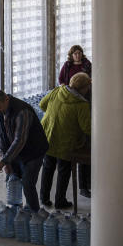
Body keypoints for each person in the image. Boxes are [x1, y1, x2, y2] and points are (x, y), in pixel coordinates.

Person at [0, 89, 50, 212]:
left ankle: (34, 215)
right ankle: (16, 212)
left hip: (34, 151)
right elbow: (3, 136)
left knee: (27, 183)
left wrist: (3, 162)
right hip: (16, 151)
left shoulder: (22, 111)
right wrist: (6, 160)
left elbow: (19, 140)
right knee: (13, 179)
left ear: (6, 99)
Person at [39, 72, 92, 209]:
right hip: (65, 141)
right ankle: (60, 201)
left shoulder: (57, 91)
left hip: (47, 136)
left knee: (48, 167)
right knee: (63, 170)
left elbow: (42, 104)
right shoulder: (81, 104)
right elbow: (87, 128)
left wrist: (53, 114)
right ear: (84, 88)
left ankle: (44, 198)